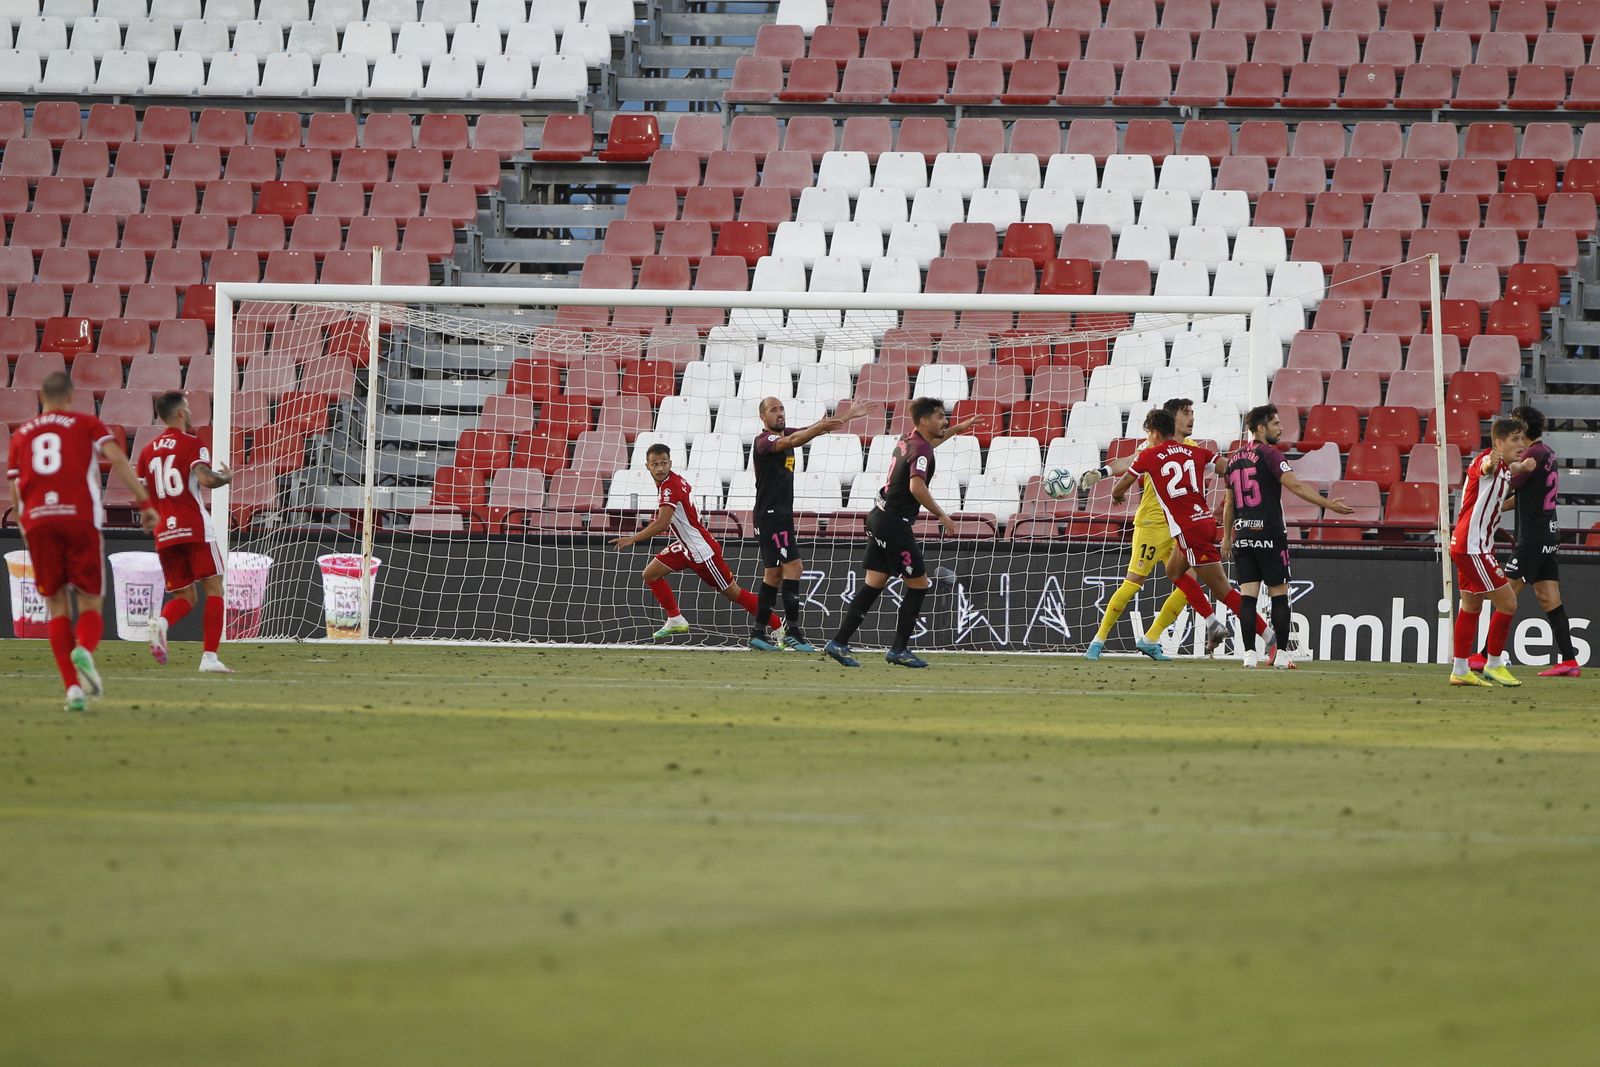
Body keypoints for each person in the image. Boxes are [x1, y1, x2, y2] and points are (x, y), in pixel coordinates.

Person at [7, 372, 157, 711]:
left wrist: (25, 527)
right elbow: (117, 458)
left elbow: (15, 489)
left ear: (41, 399)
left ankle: (72, 690)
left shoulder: (22, 435)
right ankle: (85, 651)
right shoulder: (85, 423)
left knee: (56, 607)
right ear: (71, 397)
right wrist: (145, 504)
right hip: (78, 519)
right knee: (90, 603)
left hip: (39, 521)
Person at [823, 397, 980, 669]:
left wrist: (956, 430)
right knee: (919, 584)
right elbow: (916, 488)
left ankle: (839, 642)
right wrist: (942, 514)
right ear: (924, 421)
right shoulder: (921, 449)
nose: (945, 421)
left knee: (874, 583)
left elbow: (926, 448)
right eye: (941, 417)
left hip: (878, 516)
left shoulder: (909, 440)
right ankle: (899, 649)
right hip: (894, 524)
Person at [1110, 408, 1264, 656]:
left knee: (1224, 591)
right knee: (1174, 571)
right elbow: (1227, 467)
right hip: (1201, 523)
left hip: (1188, 529)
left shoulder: (1150, 455)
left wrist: (1117, 495)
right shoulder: (1196, 451)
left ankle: (1269, 637)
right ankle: (1212, 623)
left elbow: (1122, 484)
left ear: (1155, 433)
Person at [1221, 404, 1354, 669]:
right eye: (1275, 424)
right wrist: (1328, 505)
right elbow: (1294, 484)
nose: (1281, 428)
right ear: (1261, 428)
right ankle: (1281, 654)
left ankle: (1249, 654)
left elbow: (1229, 503)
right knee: (1279, 594)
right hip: (1269, 533)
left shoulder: (1233, 459)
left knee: (1247, 596)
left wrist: (1227, 537)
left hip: (1244, 534)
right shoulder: (1271, 455)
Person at [612, 442, 780, 640]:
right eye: (655, 464)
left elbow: (662, 523)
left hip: (701, 551)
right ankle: (675, 618)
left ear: (670, 463)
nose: (659, 468)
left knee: (733, 592)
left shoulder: (669, 488)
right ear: (647, 466)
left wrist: (633, 539)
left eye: (663, 463)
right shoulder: (675, 481)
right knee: (650, 574)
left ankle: (778, 626)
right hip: (685, 547)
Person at [747, 397, 876, 653]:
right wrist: (817, 429)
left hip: (776, 515)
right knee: (794, 567)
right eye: (773, 410)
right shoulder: (765, 441)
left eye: (781, 408)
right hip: (772, 516)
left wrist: (849, 414)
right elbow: (794, 441)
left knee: (773, 574)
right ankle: (793, 631)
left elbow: (817, 426)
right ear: (763, 418)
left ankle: (758, 633)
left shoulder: (785, 434)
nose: (779, 413)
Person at [1079, 396, 1201, 661]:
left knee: (1189, 585)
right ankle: (1098, 641)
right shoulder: (1153, 446)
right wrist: (1102, 472)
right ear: (1172, 418)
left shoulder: (1192, 447)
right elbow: (1129, 462)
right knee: (1133, 583)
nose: (1192, 417)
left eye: (1192, 412)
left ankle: (1150, 639)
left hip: (1179, 528)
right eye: (1186, 413)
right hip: (1151, 526)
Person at [137, 391, 235, 673]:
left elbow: (143, 493)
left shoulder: (147, 451)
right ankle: (210, 658)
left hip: (163, 532)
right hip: (193, 527)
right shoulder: (192, 444)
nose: (191, 413)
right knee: (214, 588)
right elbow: (205, 478)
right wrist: (223, 478)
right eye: (188, 409)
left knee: (185, 597)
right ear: (180, 413)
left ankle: (162, 623)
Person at [1448, 415, 1529, 687]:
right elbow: (1483, 468)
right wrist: (1490, 463)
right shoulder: (1487, 462)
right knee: (1508, 602)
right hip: (1474, 547)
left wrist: (1523, 465)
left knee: (1471, 605)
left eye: (1522, 439)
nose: (1521, 444)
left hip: (1468, 545)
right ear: (1498, 443)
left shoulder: (1506, 467)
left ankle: (1460, 670)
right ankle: (1494, 663)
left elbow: (1510, 468)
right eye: (1515, 439)